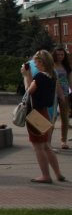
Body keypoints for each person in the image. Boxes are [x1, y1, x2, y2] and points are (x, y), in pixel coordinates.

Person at [20, 50, 64, 184]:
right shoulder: (52, 75)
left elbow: (28, 90)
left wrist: (26, 75)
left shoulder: (39, 77)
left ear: (41, 62)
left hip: (35, 113)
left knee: (38, 147)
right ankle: (58, 173)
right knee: (46, 146)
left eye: (36, 62)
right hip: (45, 112)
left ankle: (46, 175)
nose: (35, 64)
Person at [53, 46, 71, 150]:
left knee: (65, 118)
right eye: (58, 54)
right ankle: (47, 140)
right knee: (52, 117)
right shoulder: (51, 65)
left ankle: (63, 141)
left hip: (65, 94)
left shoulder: (66, 66)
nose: (60, 56)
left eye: (62, 54)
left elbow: (70, 80)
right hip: (53, 94)